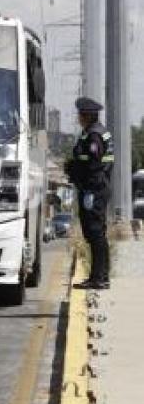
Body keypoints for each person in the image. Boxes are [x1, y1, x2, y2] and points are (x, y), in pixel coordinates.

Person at [65, 97, 114, 290]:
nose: (78, 118)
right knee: (96, 234)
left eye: (80, 114)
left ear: (87, 116)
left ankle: (99, 278)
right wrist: (73, 167)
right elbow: (86, 161)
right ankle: (101, 276)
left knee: (95, 234)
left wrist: (87, 188)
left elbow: (94, 166)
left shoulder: (94, 136)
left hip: (94, 189)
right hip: (95, 188)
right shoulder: (93, 133)